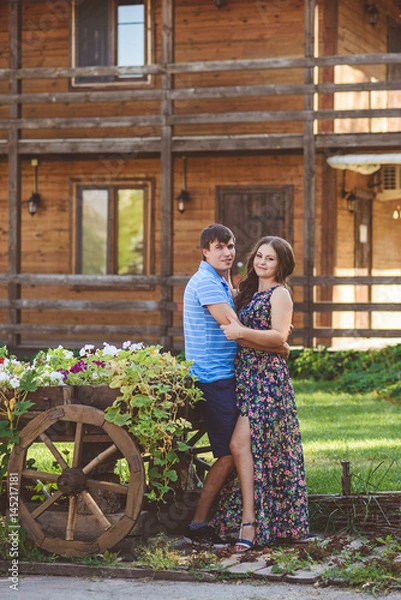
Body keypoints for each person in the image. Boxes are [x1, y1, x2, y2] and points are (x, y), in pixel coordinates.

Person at [183, 225, 289, 548]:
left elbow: (248, 330)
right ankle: (199, 522)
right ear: (205, 251)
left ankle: (244, 517)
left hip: (234, 375)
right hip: (215, 378)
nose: (227, 253)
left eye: (230, 246)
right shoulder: (207, 283)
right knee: (231, 452)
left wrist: (276, 338)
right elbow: (236, 329)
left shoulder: (223, 281)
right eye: (219, 248)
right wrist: (280, 346)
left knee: (241, 447)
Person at [212, 235, 309, 552]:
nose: (262, 262)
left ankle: (250, 522)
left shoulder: (280, 295)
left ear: (281, 264)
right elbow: (277, 343)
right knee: (260, 451)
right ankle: (267, 520)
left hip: (267, 381)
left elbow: (278, 336)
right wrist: (275, 344)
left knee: (239, 444)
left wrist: (243, 333)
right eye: (259, 256)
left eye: (270, 258)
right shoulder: (247, 292)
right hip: (246, 378)